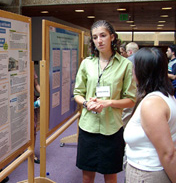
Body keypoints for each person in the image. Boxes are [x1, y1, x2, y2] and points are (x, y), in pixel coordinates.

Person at [73, 20, 136, 183]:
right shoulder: (87, 63)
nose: (99, 40)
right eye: (95, 37)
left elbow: (131, 100)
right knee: (87, 175)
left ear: (112, 37)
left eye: (103, 35)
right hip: (88, 127)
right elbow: (77, 93)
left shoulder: (125, 65)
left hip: (112, 128)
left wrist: (108, 103)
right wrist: (87, 103)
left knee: (110, 175)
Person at [124, 47, 176, 183]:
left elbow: (168, 154)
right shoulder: (164, 95)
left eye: (134, 67)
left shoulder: (152, 104)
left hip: (147, 174)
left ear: (142, 71)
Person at [34, 69, 40, 164]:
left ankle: (31, 152)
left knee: (33, 127)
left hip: (32, 101)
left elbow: (36, 84)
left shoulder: (31, 68)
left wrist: (42, 93)